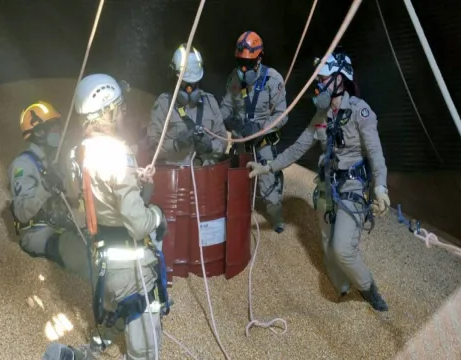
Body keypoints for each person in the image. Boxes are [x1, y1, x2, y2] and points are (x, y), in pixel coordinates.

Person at [24, 74, 170, 360]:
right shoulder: (118, 155)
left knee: (118, 316)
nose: (122, 113)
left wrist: (133, 178)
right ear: (105, 113)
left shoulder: (79, 153)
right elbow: (137, 223)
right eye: (118, 107)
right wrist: (158, 216)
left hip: (103, 264)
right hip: (131, 268)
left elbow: (95, 191)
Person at [246, 52, 391, 312]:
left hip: (352, 187)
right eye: (319, 79)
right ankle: (341, 286)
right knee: (326, 242)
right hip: (326, 185)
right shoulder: (321, 116)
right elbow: (297, 148)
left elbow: (376, 152)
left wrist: (380, 187)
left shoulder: (360, 111)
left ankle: (367, 287)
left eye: (324, 79)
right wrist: (268, 166)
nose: (319, 84)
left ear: (339, 80)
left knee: (342, 247)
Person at [9, 101, 89, 280]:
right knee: (81, 255)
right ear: (39, 132)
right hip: (38, 233)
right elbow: (21, 211)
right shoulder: (23, 165)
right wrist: (45, 186)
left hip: (62, 227)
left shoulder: (55, 161)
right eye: (54, 127)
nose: (59, 131)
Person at [220, 31, 289, 233]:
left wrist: (261, 128)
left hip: (263, 141)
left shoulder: (273, 79)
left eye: (248, 63)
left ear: (259, 58)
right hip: (241, 139)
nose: (244, 68)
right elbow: (225, 106)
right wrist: (228, 120)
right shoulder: (234, 78)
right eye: (240, 62)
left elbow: (282, 115)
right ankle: (238, 215)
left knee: (268, 186)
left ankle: (276, 215)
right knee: (237, 180)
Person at [146, 44, 227, 166]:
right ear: (174, 78)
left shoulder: (210, 102)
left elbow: (224, 141)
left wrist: (210, 146)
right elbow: (152, 148)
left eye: (193, 84)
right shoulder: (163, 104)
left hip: (206, 174)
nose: (189, 89)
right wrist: (175, 144)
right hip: (177, 174)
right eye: (185, 83)